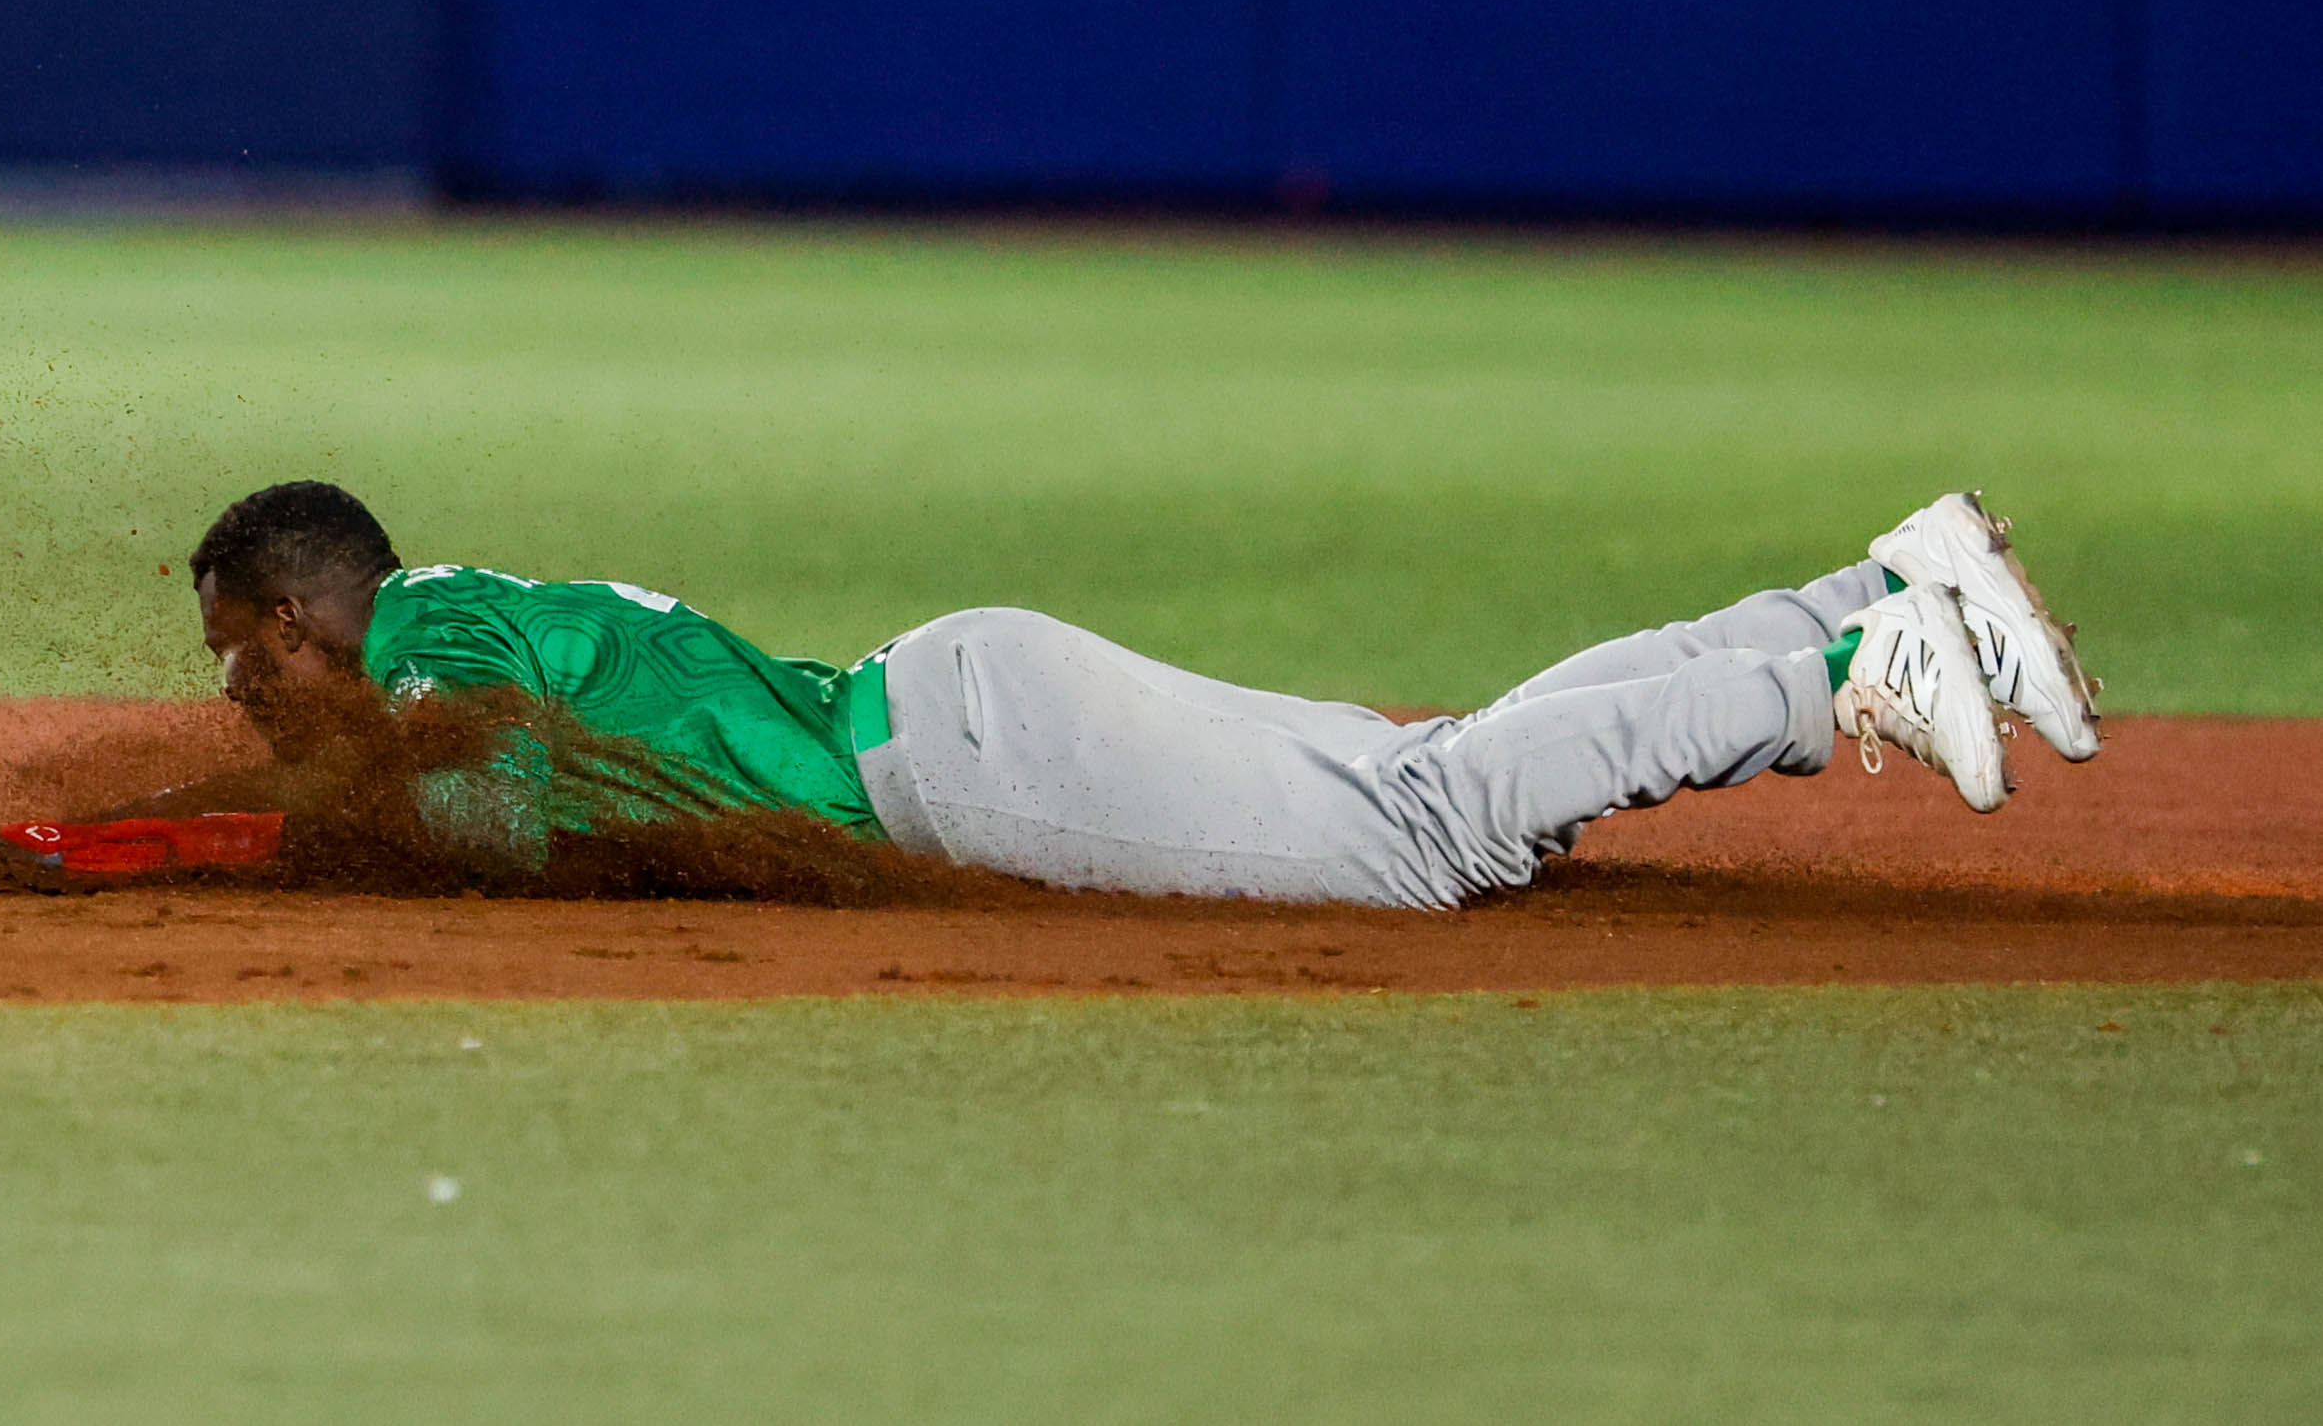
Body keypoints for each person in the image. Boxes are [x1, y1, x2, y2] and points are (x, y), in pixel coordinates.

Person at [106, 477, 2097, 910]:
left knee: (1429, 836)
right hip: (960, 696)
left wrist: (264, 845)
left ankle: (1864, 661)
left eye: (240, 657)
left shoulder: (434, 628)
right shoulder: (480, 614)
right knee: (1433, 767)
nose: (238, 695)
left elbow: (452, 787)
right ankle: (1865, 584)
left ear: (308, 613)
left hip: (958, 762)